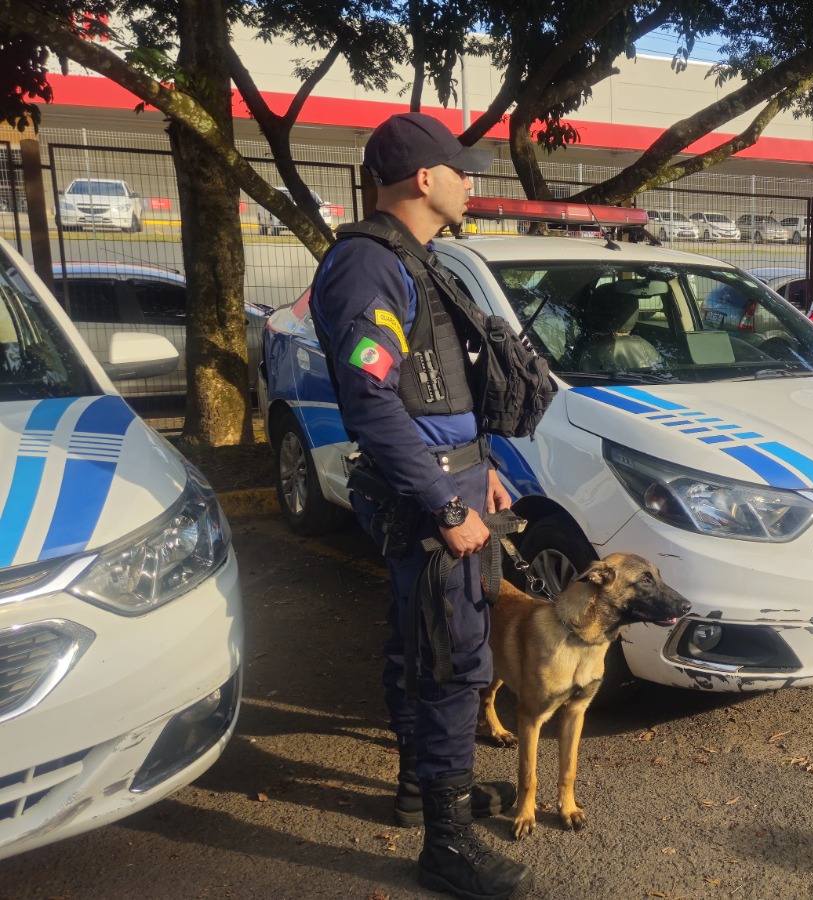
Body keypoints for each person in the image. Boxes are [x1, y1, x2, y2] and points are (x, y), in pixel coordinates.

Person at [309, 112, 529, 899]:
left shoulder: (415, 256)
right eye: (460, 169)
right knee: (450, 659)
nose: (473, 182)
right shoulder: (367, 267)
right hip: (430, 492)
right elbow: (371, 405)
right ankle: (447, 843)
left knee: (422, 643)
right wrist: (444, 501)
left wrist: (484, 468)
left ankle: (426, 792)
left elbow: (436, 390)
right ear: (423, 179)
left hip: (458, 476)